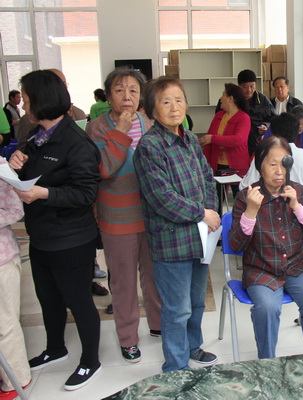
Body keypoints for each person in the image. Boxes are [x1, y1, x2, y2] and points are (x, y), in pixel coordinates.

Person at [9, 69, 102, 391]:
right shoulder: (36, 136)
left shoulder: (76, 142)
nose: (23, 105)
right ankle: (55, 348)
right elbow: (33, 173)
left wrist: (44, 193)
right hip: (41, 235)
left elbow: (86, 193)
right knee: (47, 298)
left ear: (42, 100)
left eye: (27, 99)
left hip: (71, 238)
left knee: (78, 300)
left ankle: (90, 360)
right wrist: (18, 160)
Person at [134, 76, 219, 373]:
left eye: (179, 100)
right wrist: (202, 213)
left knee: (196, 302)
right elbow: (162, 198)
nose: (174, 107)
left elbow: (207, 177)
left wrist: (211, 210)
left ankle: (193, 346)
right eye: (166, 102)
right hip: (171, 242)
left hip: (199, 238)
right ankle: (176, 365)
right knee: (176, 308)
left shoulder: (190, 138)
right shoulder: (149, 146)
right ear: (152, 109)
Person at [86, 67, 162, 363]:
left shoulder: (150, 124)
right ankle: (128, 338)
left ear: (141, 95)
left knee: (154, 276)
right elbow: (104, 169)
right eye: (119, 90)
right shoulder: (96, 128)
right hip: (117, 217)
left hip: (151, 214)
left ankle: (158, 324)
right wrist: (120, 131)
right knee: (123, 281)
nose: (127, 96)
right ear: (108, 97)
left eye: (133, 90)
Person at [229, 136, 303, 359]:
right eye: (272, 164)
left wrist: (297, 207)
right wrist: (251, 212)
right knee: (267, 309)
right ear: (260, 166)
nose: (279, 171)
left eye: (283, 164)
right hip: (261, 268)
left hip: (296, 265)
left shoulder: (298, 192)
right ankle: (267, 364)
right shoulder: (246, 197)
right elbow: (236, 244)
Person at [0, 156, 31, 400]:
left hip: (2, 259)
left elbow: (15, 210)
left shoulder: (1, 167)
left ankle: (15, 380)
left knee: (5, 324)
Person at [200, 83, 251, 215]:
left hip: (236, 167)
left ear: (231, 99)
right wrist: (206, 164)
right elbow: (208, 142)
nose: (221, 98)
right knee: (215, 199)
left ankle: (241, 225)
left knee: (240, 199)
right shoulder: (219, 116)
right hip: (217, 165)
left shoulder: (244, 118)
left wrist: (212, 138)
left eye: (223, 94)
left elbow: (238, 139)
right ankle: (216, 225)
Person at [239, 112, 303, 190]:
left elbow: (246, 186)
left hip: (270, 197)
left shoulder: (264, 153)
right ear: (296, 132)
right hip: (299, 196)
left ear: (274, 133)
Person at [236, 69, 275, 156]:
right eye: (245, 87)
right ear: (239, 85)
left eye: (252, 86)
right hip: (236, 144)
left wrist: (265, 125)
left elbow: (273, 119)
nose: (249, 90)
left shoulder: (263, 100)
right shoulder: (232, 99)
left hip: (255, 144)